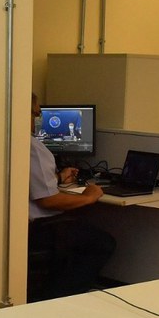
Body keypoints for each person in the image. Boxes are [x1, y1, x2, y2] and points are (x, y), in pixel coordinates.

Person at [27, 94, 116, 300]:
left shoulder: (8, 141)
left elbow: (27, 183)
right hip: (37, 229)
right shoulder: (33, 148)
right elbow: (48, 201)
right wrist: (89, 197)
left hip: (19, 228)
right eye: (36, 114)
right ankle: (58, 298)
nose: (37, 120)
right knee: (103, 243)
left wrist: (58, 177)